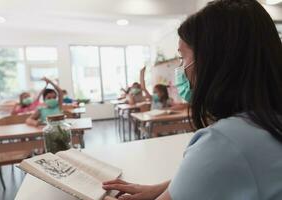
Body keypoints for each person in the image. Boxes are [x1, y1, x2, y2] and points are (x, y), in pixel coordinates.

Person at [102, 0, 282, 199]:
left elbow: (218, 164)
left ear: (212, 60)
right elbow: (219, 174)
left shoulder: (223, 142)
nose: (180, 70)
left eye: (183, 58)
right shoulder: (267, 122)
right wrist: (161, 189)